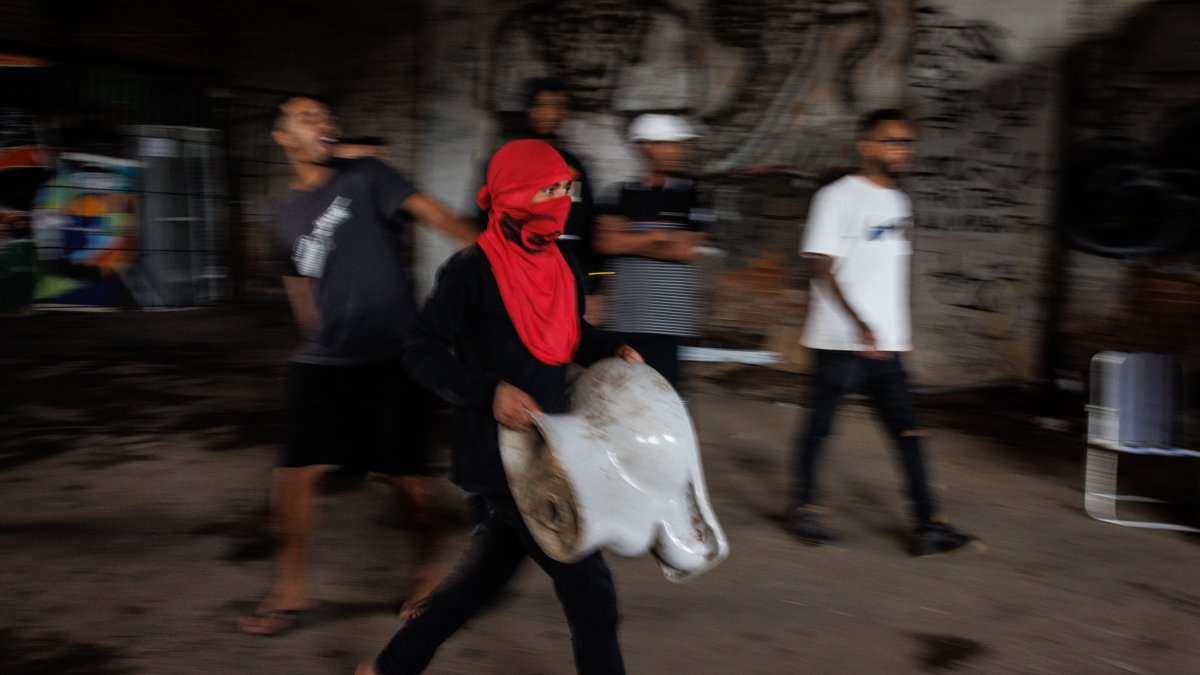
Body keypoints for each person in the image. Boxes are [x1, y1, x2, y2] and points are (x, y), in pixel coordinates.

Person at [358, 139, 640, 675]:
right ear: (513, 195)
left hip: (552, 446)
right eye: (548, 189)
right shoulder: (471, 272)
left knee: (485, 577)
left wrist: (610, 349)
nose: (561, 201)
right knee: (592, 595)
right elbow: (419, 350)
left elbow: (570, 335)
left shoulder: (561, 261)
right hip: (500, 456)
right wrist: (490, 392)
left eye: (565, 189)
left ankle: (390, 667)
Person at [238, 95, 477, 636]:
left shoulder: (368, 174)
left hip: (396, 354)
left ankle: (425, 575)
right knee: (294, 475)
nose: (323, 123)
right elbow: (298, 284)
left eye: (327, 116)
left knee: (409, 482)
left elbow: (439, 217)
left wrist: (510, 267)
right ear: (282, 137)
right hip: (326, 360)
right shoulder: (284, 214)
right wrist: (317, 336)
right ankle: (291, 590)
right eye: (306, 117)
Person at [788, 108, 981, 557]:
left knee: (909, 433)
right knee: (820, 428)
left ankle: (928, 524)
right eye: (893, 141)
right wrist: (859, 324)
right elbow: (821, 266)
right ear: (866, 146)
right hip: (839, 341)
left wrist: (889, 333)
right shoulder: (837, 197)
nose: (903, 151)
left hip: (888, 345)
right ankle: (805, 509)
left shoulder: (899, 202)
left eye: (908, 143)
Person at [594, 113, 712, 391]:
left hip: (668, 321)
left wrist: (630, 238)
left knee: (665, 396)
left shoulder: (692, 195)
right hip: (623, 317)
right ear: (644, 147)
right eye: (666, 144)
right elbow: (607, 244)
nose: (676, 151)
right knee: (618, 395)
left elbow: (684, 250)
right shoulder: (619, 194)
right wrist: (660, 236)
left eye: (678, 145)